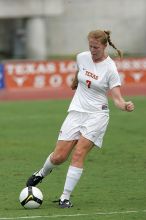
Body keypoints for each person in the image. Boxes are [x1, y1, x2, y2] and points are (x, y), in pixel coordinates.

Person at [26, 29, 134, 208]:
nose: (92, 50)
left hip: (97, 115)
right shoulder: (82, 57)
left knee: (78, 153)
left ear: (104, 46)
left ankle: (64, 197)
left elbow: (117, 98)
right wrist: (76, 82)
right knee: (59, 156)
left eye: (96, 47)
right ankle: (41, 173)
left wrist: (125, 105)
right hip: (77, 111)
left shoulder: (110, 68)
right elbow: (81, 71)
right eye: (90, 46)